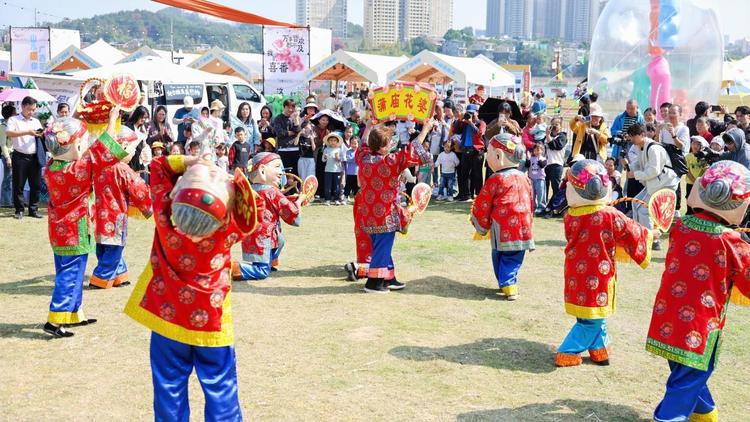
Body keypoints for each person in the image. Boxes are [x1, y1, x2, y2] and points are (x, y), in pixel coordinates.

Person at [124, 154, 261, 421]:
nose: (214, 171)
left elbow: (159, 166)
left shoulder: (165, 213)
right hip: (211, 321)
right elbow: (251, 215)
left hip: (167, 318)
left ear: (176, 191)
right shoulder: (227, 229)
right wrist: (231, 186)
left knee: (168, 387)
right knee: (221, 387)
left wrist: (190, 163)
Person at [647, 160, 750, 422]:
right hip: (701, 324)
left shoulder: (681, 227)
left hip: (668, 315)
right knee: (689, 376)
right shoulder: (731, 241)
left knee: (684, 370)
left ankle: (705, 413)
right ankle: (668, 418)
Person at [554, 159, 654, 367]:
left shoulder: (571, 214)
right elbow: (631, 232)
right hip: (598, 273)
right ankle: (567, 350)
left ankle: (600, 350)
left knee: (591, 315)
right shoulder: (608, 214)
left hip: (575, 270)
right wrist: (651, 235)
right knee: (593, 316)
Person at [42, 109, 130, 337]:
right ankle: (55, 319)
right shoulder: (77, 169)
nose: (84, 145)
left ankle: (73, 314)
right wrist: (111, 120)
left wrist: (72, 120)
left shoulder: (51, 168)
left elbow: (93, 150)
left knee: (69, 271)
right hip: (75, 229)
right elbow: (104, 148)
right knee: (71, 275)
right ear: (72, 146)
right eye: (81, 142)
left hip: (58, 230)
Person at [356, 119, 434, 293]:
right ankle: (374, 283)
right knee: (383, 247)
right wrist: (425, 129)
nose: (392, 144)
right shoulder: (389, 161)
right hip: (385, 212)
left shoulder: (365, 158)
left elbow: (362, 145)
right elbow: (414, 147)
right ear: (384, 147)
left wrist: (368, 127)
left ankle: (388, 278)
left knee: (381, 246)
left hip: (368, 212)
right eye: (389, 142)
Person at [470, 133, 534, 300]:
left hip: (503, 225)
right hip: (523, 226)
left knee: (500, 254)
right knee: (515, 256)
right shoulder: (525, 178)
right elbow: (531, 202)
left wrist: (480, 224)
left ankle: (508, 283)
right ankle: (508, 282)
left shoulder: (496, 179)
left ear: (498, 155)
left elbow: (484, 203)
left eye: (489, 153)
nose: (487, 156)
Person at [89, 141, 153, 290]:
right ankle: (101, 278)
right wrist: (148, 207)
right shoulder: (123, 169)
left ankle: (120, 275)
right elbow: (139, 189)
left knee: (104, 245)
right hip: (116, 214)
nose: (132, 155)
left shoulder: (99, 165)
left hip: (100, 212)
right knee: (115, 246)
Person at [234, 153, 304, 281]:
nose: (281, 171)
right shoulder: (272, 191)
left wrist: (288, 199)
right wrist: (299, 202)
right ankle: (232, 268)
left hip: (252, 234)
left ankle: (270, 261)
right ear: (262, 170)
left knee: (280, 240)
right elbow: (290, 211)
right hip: (264, 237)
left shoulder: (251, 190)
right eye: (277, 167)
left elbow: (272, 204)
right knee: (261, 271)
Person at [628, 123, 680, 250]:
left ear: (642, 135)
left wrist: (635, 174)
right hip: (656, 183)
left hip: (665, 183)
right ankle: (641, 236)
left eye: (633, 136)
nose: (631, 139)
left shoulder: (653, 148)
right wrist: (629, 167)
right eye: (630, 136)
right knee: (635, 204)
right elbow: (640, 165)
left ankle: (652, 240)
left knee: (644, 210)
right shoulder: (640, 147)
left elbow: (654, 170)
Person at [6, 96, 44, 219]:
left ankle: (33, 210)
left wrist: (42, 133)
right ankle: (19, 210)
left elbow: (40, 135)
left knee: (36, 185)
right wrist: (27, 132)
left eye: (33, 110)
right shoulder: (14, 120)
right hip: (19, 156)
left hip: (34, 156)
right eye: (29, 109)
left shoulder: (36, 121)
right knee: (18, 185)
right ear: (22, 106)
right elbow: (9, 133)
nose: (31, 112)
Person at [454, 103, 486, 201]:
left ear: (477, 113)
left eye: (472, 113)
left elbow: (479, 133)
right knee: (464, 174)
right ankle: (466, 195)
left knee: (477, 174)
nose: (470, 115)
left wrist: (471, 123)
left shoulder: (481, 123)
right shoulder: (464, 122)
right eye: (468, 113)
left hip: (477, 150)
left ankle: (479, 194)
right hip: (465, 149)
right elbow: (457, 131)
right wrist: (460, 120)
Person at [271, 99, 302, 176]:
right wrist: (290, 132)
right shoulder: (278, 118)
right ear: (284, 107)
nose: (290, 109)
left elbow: (298, 131)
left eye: (292, 107)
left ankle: (295, 188)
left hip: (295, 149)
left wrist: (296, 119)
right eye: (288, 107)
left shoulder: (294, 118)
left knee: (295, 174)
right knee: (285, 173)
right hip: (283, 149)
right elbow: (279, 133)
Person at [544, 116, 566, 214]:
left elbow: (556, 146)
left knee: (555, 187)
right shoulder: (547, 136)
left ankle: (554, 208)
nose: (554, 127)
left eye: (556, 124)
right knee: (545, 186)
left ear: (561, 126)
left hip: (557, 165)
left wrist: (548, 136)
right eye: (552, 124)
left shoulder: (562, 137)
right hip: (546, 165)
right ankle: (545, 206)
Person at [125, 105, 151, 183]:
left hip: (140, 161)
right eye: (142, 117)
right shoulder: (128, 126)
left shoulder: (143, 128)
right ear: (137, 115)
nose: (143, 119)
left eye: (145, 118)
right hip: (129, 160)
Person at [685, 136, 709, 215]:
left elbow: (704, 170)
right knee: (689, 198)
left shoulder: (704, 158)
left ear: (702, 146)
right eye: (693, 143)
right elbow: (687, 171)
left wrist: (698, 181)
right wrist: (695, 181)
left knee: (698, 200)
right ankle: (689, 214)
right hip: (690, 183)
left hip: (700, 184)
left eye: (698, 144)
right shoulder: (688, 157)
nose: (695, 146)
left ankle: (698, 215)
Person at [322, 131, 347, 206]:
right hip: (328, 170)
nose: (332, 142)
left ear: (337, 142)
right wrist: (325, 157)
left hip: (337, 170)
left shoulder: (339, 150)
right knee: (327, 185)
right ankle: (327, 199)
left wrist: (338, 158)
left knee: (337, 185)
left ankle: (336, 199)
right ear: (328, 142)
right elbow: (323, 160)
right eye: (331, 140)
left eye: (334, 141)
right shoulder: (326, 149)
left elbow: (343, 159)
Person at [297, 102, 319, 182]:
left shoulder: (317, 119)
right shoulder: (302, 118)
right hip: (304, 147)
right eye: (309, 108)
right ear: (306, 110)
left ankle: (311, 190)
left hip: (314, 145)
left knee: (312, 172)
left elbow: (317, 131)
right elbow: (299, 129)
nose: (311, 110)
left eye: (313, 108)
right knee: (302, 174)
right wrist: (305, 122)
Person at [0, 104, 15, 208]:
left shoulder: (13, 126)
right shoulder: (2, 127)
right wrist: (7, 157)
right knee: (7, 179)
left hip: (16, 154)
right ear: (10, 115)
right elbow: (3, 144)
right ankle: (5, 202)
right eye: (14, 113)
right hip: (8, 155)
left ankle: (12, 200)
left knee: (14, 179)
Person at [343, 135, 359, 201]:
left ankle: (357, 199)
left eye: (355, 143)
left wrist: (354, 159)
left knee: (356, 187)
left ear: (358, 144)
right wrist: (354, 159)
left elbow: (358, 161)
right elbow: (348, 160)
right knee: (348, 186)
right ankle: (345, 197)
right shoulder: (348, 152)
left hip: (357, 174)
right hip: (350, 173)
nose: (354, 145)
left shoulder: (359, 152)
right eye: (352, 143)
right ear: (350, 144)